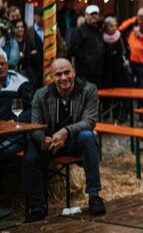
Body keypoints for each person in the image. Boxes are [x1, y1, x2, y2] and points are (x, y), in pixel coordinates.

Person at [24, 58, 105, 221]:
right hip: (50, 141)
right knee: (30, 157)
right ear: (52, 77)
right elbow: (35, 123)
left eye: (67, 72)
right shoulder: (41, 95)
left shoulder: (89, 90)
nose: (63, 78)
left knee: (88, 136)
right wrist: (44, 140)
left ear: (74, 72)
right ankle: (38, 207)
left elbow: (89, 121)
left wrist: (66, 131)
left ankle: (94, 196)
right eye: (58, 74)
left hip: (75, 141)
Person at [0, 50, 34, 158]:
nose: (0, 67)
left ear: (7, 64)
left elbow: (33, 110)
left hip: (15, 135)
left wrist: (14, 121)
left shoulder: (20, 82)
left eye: (2, 64)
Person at [118, 8, 143, 94]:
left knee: (142, 87)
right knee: (128, 86)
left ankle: (141, 106)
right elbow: (120, 29)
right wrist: (134, 19)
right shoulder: (133, 25)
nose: (140, 19)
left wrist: (141, 36)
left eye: (142, 17)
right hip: (130, 61)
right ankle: (128, 107)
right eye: (138, 16)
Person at [68, 5, 105, 86]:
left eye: (96, 14)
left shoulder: (99, 30)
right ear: (85, 15)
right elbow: (74, 49)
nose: (94, 16)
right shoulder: (79, 31)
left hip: (98, 72)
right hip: (84, 72)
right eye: (91, 14)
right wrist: (87, 61)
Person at [100, 17, 130, 90]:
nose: (114, 28)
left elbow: (128, 49)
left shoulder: (120, 36)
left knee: (119, 85)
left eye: (115, 25)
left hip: (119, 64)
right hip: (106, 65)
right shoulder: (101, 36)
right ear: (106, 27)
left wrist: (127, 59)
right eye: (111, 26)